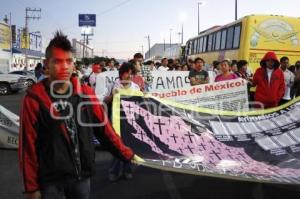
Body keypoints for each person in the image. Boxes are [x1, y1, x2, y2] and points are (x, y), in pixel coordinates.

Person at [19, 31, 134, 199]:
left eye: (68, 61)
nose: (64, 67)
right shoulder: (34, 99)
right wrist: (31, 187)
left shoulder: (86, 94)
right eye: (57, 61)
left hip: (81, 178)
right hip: (51, 181)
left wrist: (127, 154)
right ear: (46, 64)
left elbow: (104, 129)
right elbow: (27, 146)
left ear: (74, 65)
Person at [107, 63, 140, 182]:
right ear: (121, 74)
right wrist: (112, 96)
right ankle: (113, 171)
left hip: (130, 120)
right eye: (127, 73)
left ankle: (127, 170)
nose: (129, 76)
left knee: (129, 146)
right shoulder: (113, 85)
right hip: (116, 120)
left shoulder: (135, 87)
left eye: (131, 73)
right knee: (118, 146)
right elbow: (105, 101)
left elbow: (140, 102)